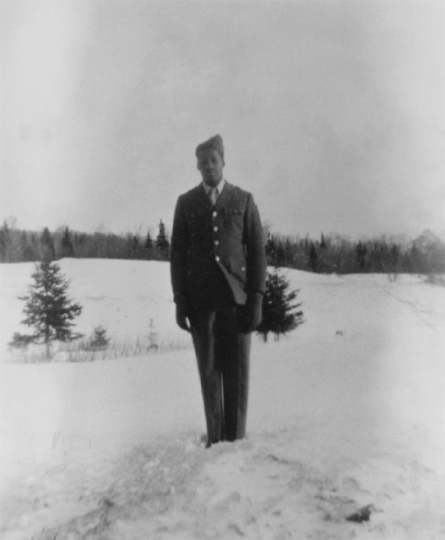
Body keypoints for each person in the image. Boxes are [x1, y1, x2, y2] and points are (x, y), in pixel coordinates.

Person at [170, 134, 267, 448]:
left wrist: (256, 298)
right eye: (202, 162)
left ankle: (235, 438)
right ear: (196, 167)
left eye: (214, 160)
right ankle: (215, 437)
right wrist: (180, 302)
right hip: (201, 302)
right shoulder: (186, 203)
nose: (208, 167)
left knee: (237, 371)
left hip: (236, 301)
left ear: (223, 162)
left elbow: (257, 253)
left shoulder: (244, 200)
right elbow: (177, 257)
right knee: (209, 369)